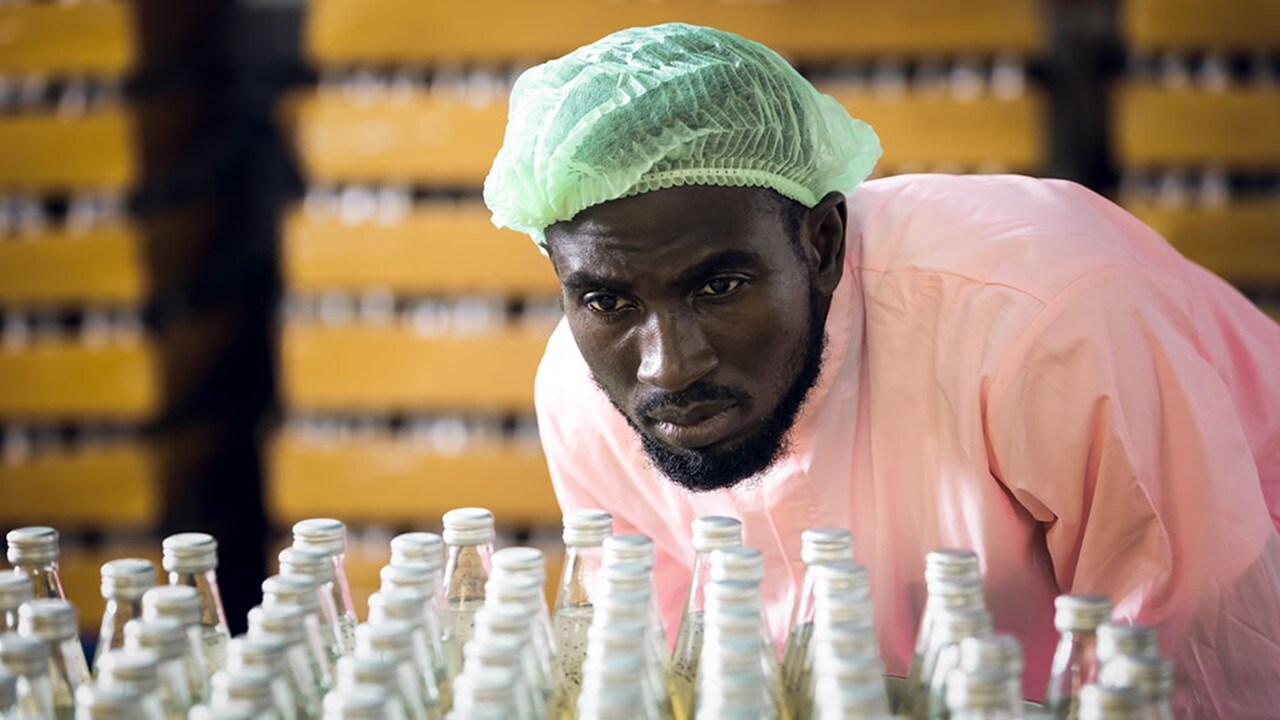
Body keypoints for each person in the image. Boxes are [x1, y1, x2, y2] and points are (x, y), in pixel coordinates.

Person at [482, 23, 1280, 717]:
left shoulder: (1040, 324)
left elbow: (1202, 674)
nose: (669, 368)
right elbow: (665, 680)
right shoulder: (582, 394)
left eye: (719, 287)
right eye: (607, 300)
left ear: (822, 244)